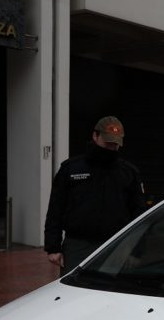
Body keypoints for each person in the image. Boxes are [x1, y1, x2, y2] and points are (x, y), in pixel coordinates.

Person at [44, 116, 147, 273]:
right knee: (73, 288)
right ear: (95, 136)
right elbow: (55, 209)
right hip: (77, 246)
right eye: (107, 142)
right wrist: (53, 247)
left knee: (111, 288)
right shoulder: (71, 169)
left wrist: (136, 251)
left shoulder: (128, 173)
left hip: (115, 246)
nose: (110, 148)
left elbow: (139, 215)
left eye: (114, 144)